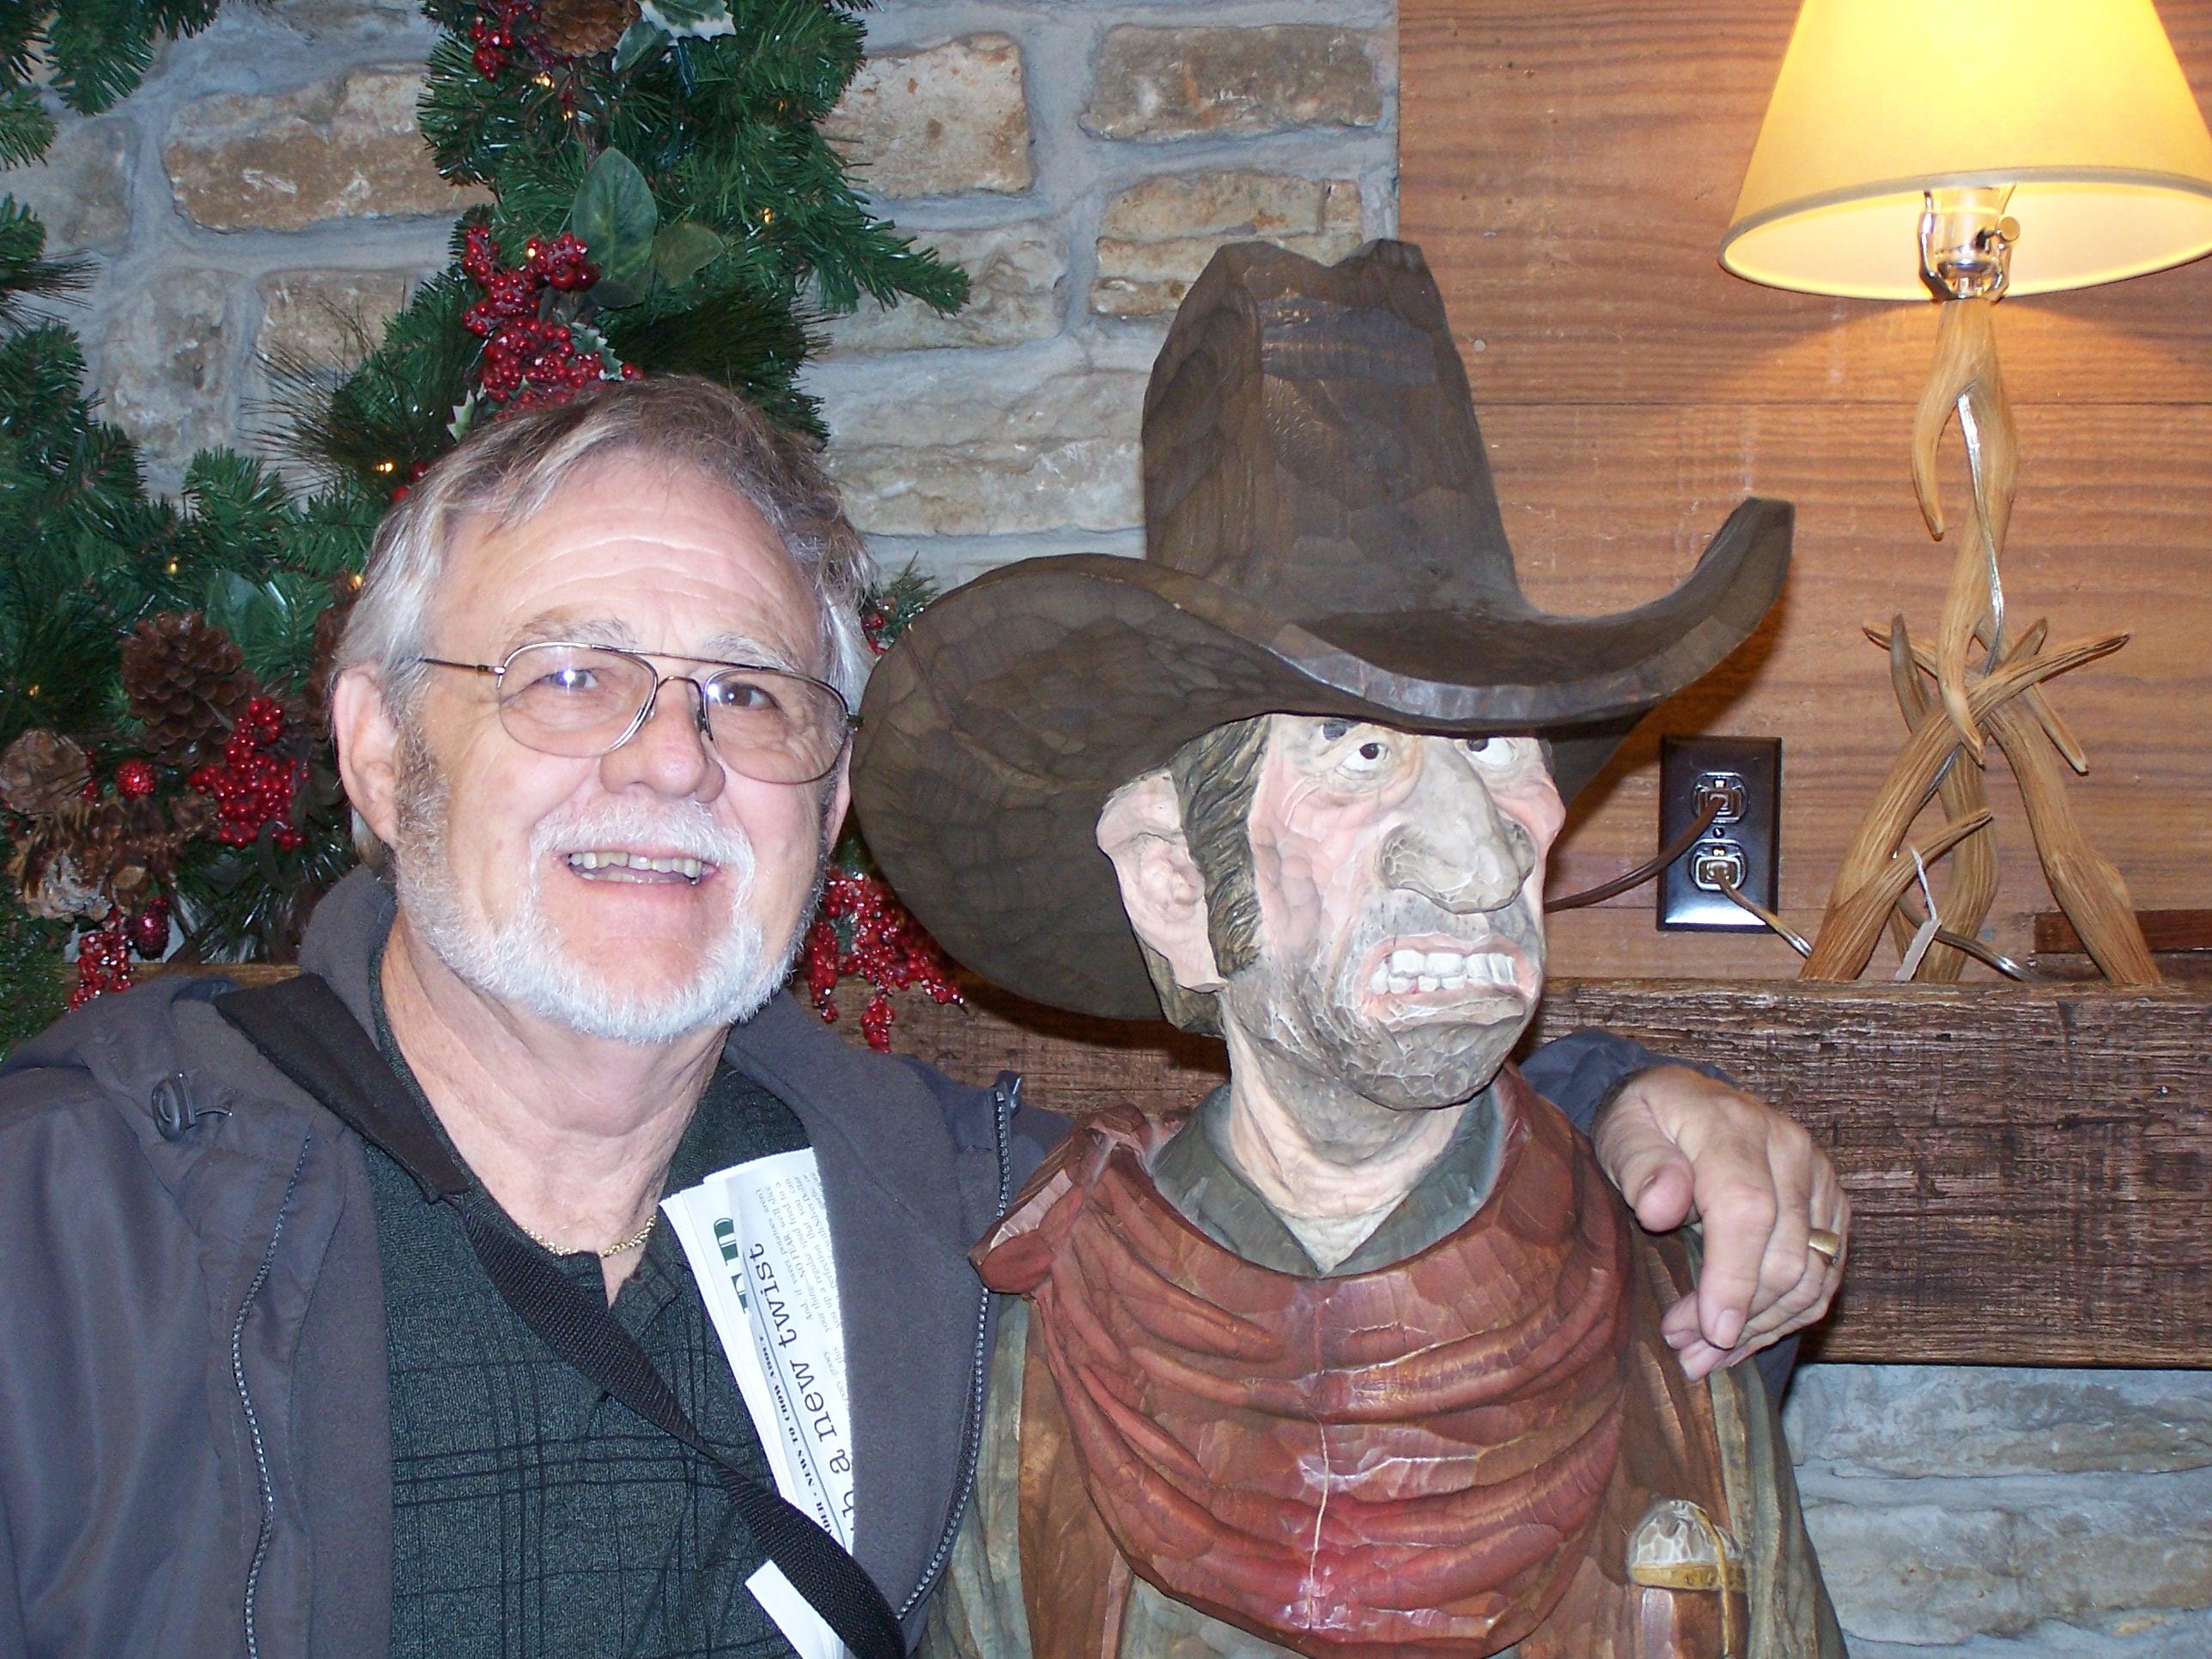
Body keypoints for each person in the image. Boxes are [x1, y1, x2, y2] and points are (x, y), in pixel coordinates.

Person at [0, 374, 1841, 1659]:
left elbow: (1310, 1155)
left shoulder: (931, 1199)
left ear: (822, 793)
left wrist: (1622, 1098)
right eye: (571, 676)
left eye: (752, 694)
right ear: (383, 748)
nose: (671, 754)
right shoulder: (75, 1222)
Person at [852, 240, 1847, 1655]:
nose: (1479, 848)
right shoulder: (1046, 1337)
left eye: (1497, 747)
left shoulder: (1672, 1302)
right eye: (1362, 750)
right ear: (1176, 881)